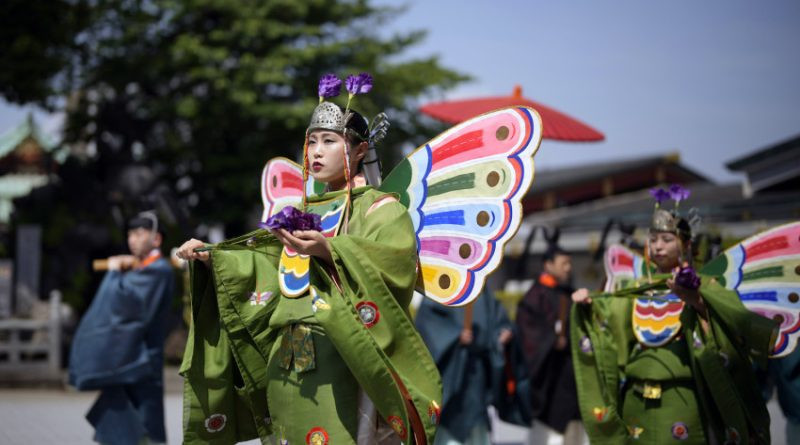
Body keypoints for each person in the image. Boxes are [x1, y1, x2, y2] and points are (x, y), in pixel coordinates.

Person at [176, 74, 441, 444]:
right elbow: (270, 268)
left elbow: (394, 266)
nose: (316, 151)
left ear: (360, 151)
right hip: (291, 357)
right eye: (311, 141)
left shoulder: (382, 210)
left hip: (346, 354)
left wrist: (329, 249)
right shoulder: (300, 210)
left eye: (329, 141)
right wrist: (213, 259)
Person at [570, 188, 776, 444]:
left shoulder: (706, 285)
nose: (657, 246)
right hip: (635, 401)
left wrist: (697, 303)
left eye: (666, 239)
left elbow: (730, 326)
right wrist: (588, 306)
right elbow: (609, 323)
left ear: (686, 244)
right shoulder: (634, 288)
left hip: (682, 401)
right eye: (653, 239)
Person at [69, 212, 175, 445]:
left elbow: (125, 305)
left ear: (156, 239)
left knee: (147, 423)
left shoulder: (158, 270)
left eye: (139, 234)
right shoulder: (143, 268)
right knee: (123, 421)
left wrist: (114, 273)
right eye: (130, 234)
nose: (132, 240)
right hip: (128, 357)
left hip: (142, 359)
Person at [415, 288, 514, 445]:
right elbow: (428, 323)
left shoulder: (480, 288)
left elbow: (498, 319)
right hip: (450, 368)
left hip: (476, 370)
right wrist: (454, 336)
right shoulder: (442, 285)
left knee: (476, 420)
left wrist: (501, 335)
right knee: (448, 421)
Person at [516, 245, 584, 445]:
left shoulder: (570, 294)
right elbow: (528, 335)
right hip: (548, 385)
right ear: (548, 264)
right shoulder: (535, 296)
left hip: (572, 382)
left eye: (570, 263)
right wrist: (552, 340)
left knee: (575, 436)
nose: (568, 268)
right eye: (564, 263)